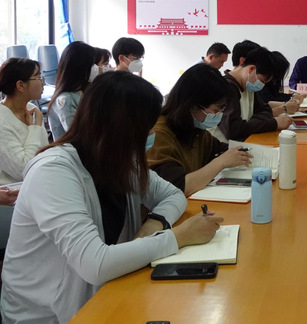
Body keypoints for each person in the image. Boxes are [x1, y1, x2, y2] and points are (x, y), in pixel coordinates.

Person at [0, 71, 223, 323]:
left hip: (105, 291)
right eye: (148, 126)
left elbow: (173, 195)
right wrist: (178, 237)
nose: (153, 132)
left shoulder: (119, 160)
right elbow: (94, 264)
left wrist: (154, 224)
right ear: (122, 127)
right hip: (51, 314)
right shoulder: (53, 171)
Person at [147, 63, 254, 196]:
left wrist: (253, 151)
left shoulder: (194, 129)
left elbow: (220, 148)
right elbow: (178, 186)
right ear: (193, 105)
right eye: (216, 109)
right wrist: (221, 162)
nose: (220, 114)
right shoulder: (160, 135)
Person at [213, 47, 293, 141]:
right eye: (262, 81)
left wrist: (251, 124)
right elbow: (233, 130)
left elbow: (266, 110)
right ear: (251, 69)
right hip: (224, 146)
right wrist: (273, 124)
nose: (262, 85)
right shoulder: (227, 87)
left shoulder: (248, 86)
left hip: (244, 142)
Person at [0, 58, 49, 185]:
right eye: (38, 78)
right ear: (20, 85)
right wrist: (35, 128)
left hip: (39, 181)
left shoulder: (31, 109)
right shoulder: (2, 120)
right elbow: (23, 169)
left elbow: (43, 153)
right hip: (13, 191)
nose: (43, 83)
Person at [47, 41, 97, 140]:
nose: (96, 68)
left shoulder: (82, 92)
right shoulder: (66, 100)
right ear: (81, 67)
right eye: (93, 64)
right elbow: (78, 136)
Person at [261, 51, 304, 117]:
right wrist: (287, 104)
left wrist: (292, 96)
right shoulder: (263, 81)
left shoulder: (274, 81)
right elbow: (268, 100)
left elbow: (277, 95)